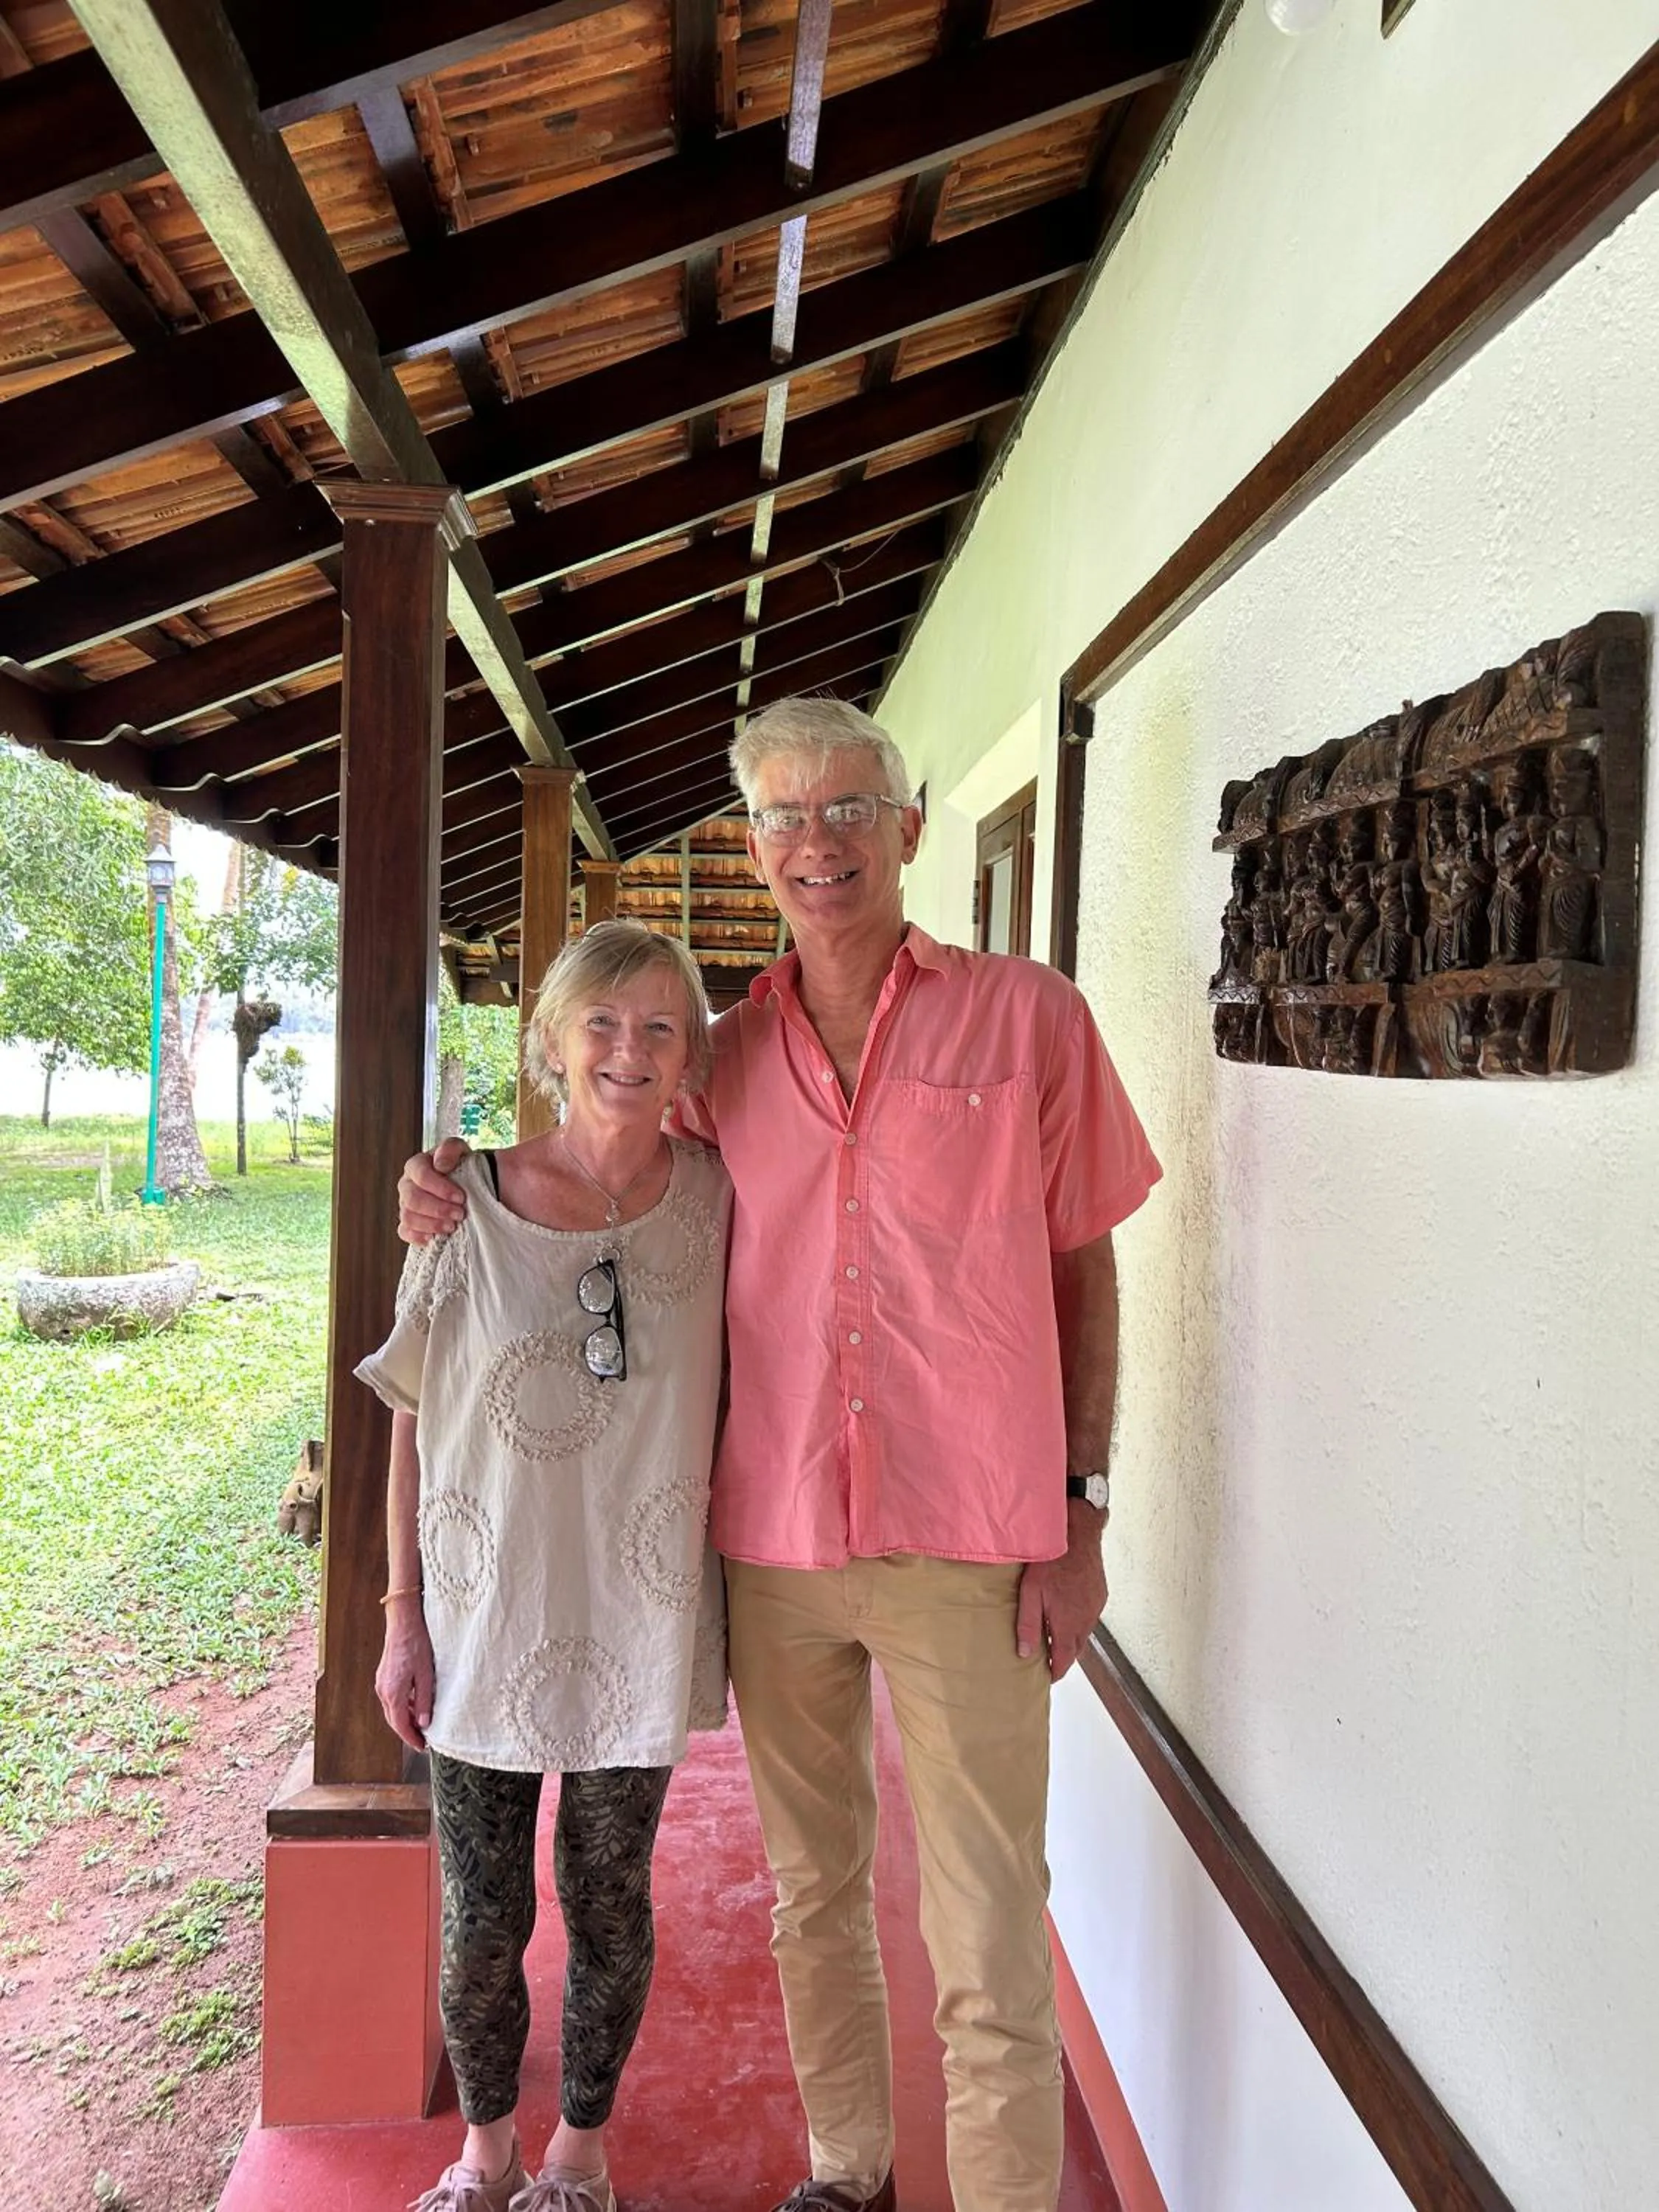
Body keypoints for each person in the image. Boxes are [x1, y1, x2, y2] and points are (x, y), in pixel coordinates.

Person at [400, 699, 1161, 2212]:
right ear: (754, 846)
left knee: (991, 1923)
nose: (820, 843)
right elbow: (593, 1155)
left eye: (849, 809)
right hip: (777, 1545)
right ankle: (848, 2173)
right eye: (788, 816)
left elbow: (1086, 1266)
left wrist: (1082, 1513)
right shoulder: (721, 1057)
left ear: (911, 828)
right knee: (814, 1898)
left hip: (975, 1543)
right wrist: (452, 1180)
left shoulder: (1030, 1019)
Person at [361, 920, 731, 2212]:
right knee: (480, 1915)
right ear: (552, 1042)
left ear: (691, 1055)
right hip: (480, 1608)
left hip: (643, 1605)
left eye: (659, 1027)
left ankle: (580, 2150)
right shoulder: (460, 1201)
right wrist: (398, 1615)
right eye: (600, 1023)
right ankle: (484, 2149)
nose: (627, 1051)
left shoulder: (725, 1198)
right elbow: (409, 1414)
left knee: (609, 1892)